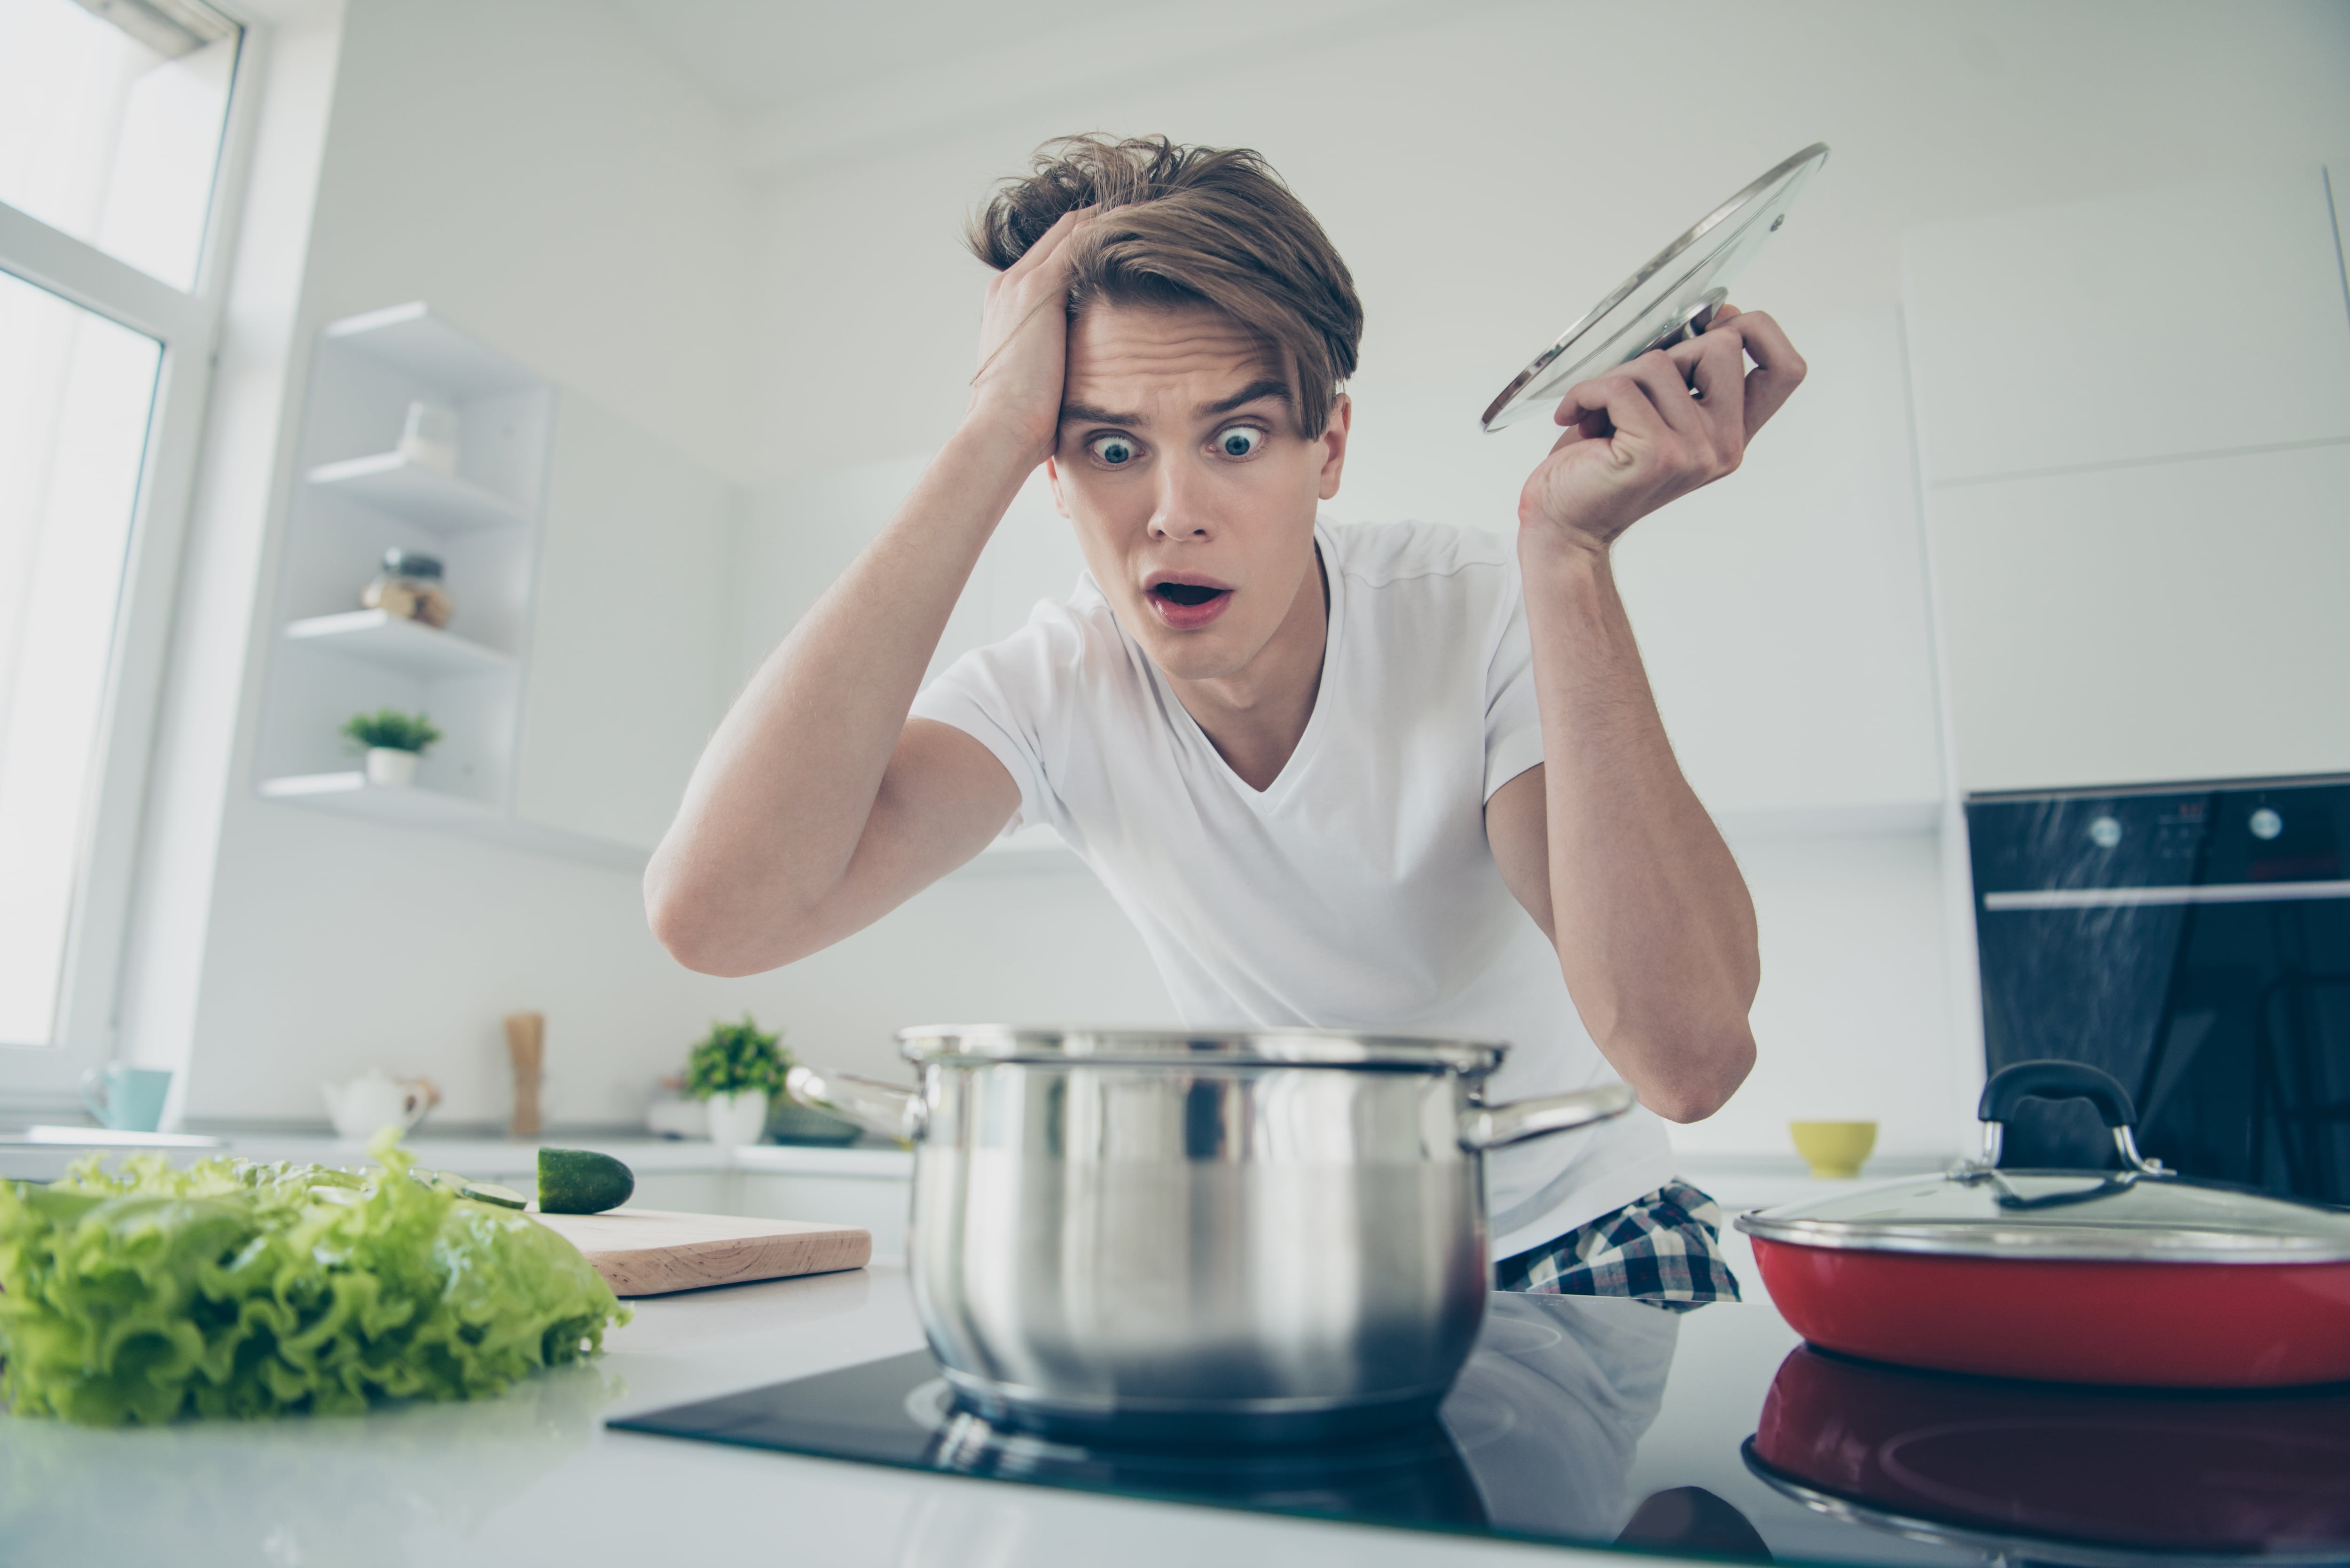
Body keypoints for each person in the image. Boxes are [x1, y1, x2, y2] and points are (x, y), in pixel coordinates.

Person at [646, 135, 1806, 1310]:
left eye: (1237, 440)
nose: (1173, 516)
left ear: (1330, 450)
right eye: (1109, 448)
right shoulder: (1055, 685)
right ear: (1053, 477)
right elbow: (717, 915)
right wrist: (989, 434)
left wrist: (1570, 556)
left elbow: (1687, 1060)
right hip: (1300, 1273)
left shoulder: (1478, 609)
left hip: (1585, 1242)